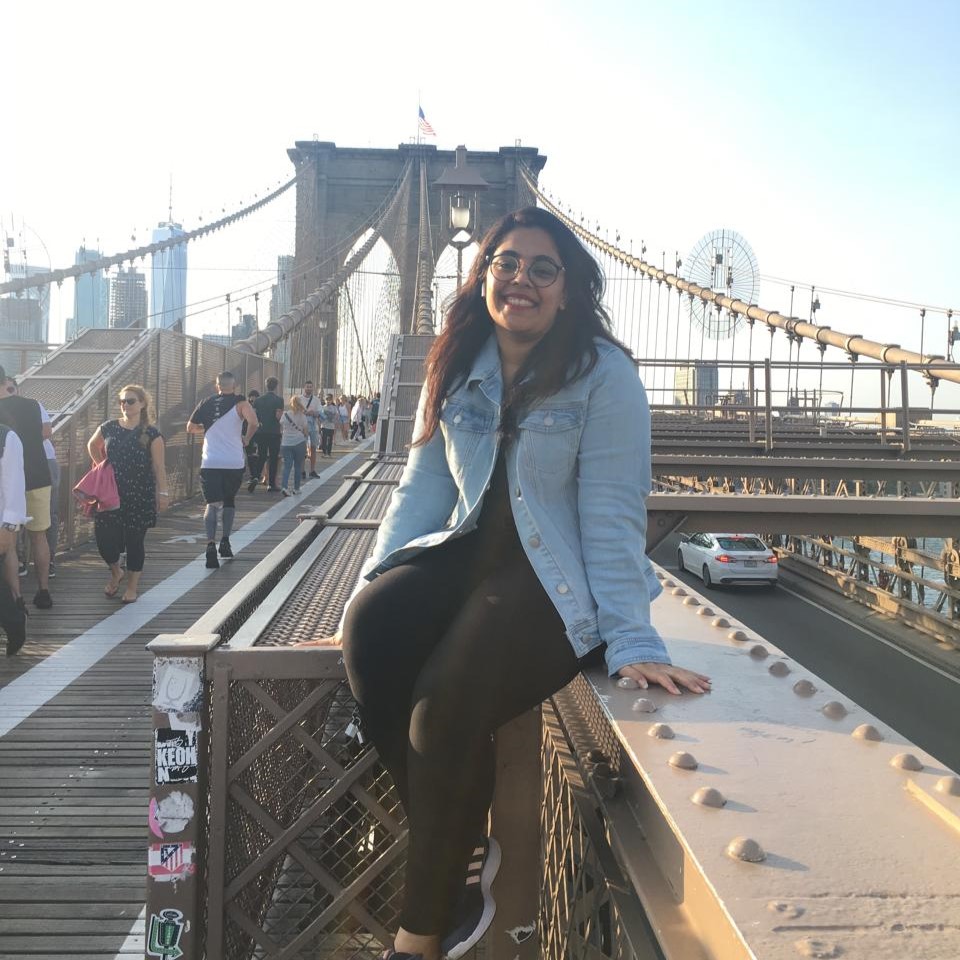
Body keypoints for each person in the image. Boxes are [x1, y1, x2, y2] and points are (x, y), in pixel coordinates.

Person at [296, 207, 710, 960]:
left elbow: (614, 512)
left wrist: (631, 637)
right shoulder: (458, 360)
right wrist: (370, 583)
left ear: (569, 290)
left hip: (550, 584)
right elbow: (422, 486)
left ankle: (416, 938)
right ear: (485, 276)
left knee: (443, 709)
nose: (521, 279)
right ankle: (456, 840)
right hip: (465, 558)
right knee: (371, 630)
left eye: (542, 268)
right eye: (507, 263)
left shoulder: (605, 374)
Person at [87, 385, 168, 603]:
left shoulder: (152, 434)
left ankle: (132, 587)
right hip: (111, 492)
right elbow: (92, 445)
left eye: (130, 401)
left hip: (139, 493)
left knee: (134, 541)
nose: (125, 405)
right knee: (104, 538)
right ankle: (116, 571)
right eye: (122, 401)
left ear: (142, 404)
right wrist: (101, 466)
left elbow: (159, 467)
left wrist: (163, 493)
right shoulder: (109, 427)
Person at [187, 372, 259, 569]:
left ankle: (210, 545)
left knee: (211, 504)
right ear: (234, 385)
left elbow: (190, 427)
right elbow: (253, 423)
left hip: (210, 461)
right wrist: (246, 439)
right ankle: (225, 542)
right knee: (229, 501)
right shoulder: (241, 403)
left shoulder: (206, 402)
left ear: (216, 386)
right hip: (233, 461)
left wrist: (209, 426)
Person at [0, 373, 53, 610]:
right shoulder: (33, 405)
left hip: (8, 481)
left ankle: (16, 599)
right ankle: (43, 591)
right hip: (38, 475)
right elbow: (45, 433)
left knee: (9, 543)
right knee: (39, 535)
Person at [0, 423, 28, 654]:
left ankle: (13, 621)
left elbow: (14, 484)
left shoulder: (6, 437)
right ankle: (13, 621)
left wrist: (8, 526)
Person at [250, 377, 284, 492]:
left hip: (261, 432)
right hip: (274, 432)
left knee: (261, 456)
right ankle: (271, 484)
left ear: (266, 385)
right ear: (276, 386)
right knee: (273, 458)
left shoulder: (258, 400)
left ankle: (255, 477)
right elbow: (278, 417)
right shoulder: (279, 400)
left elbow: (254, 416)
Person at [279, 395, 309, 496]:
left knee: (287, 466)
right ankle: (296, 489)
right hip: (299, 442)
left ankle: (284, 487)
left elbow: (281, 426)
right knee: (297, 466)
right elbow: (305, 431)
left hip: (286, 443)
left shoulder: (285, 414)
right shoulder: (303, 416)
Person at [298, 380, 322, 480]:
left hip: (313, 426)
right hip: (302, 426)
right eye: (307, 386)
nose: (309, 388)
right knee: (302, 449)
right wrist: (304, 412)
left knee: (313, 448)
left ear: (313, 388)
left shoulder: (316, 400)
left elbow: (320, 412)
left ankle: (312, 470)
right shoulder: (298, 399)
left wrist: (313, 412)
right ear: (304, 387)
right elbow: (295, 411)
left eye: (310, 387)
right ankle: (302, 471)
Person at [244, 389, 261, 487]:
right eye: (251, 397)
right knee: (251, 455)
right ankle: (254, 475)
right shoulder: (246, 406)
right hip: (248, 433)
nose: (253, 399)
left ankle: (254, 475)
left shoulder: (258, 407)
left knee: (252, 455)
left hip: (254, 434)